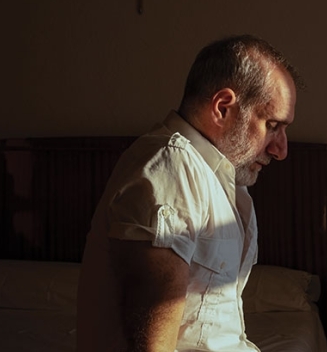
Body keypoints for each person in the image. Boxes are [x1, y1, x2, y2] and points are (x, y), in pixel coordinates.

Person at [77, 35, 300, 351]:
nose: (281, 150)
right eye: (273, 126)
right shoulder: (173, 168)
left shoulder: (220, 178)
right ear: (222, 108)